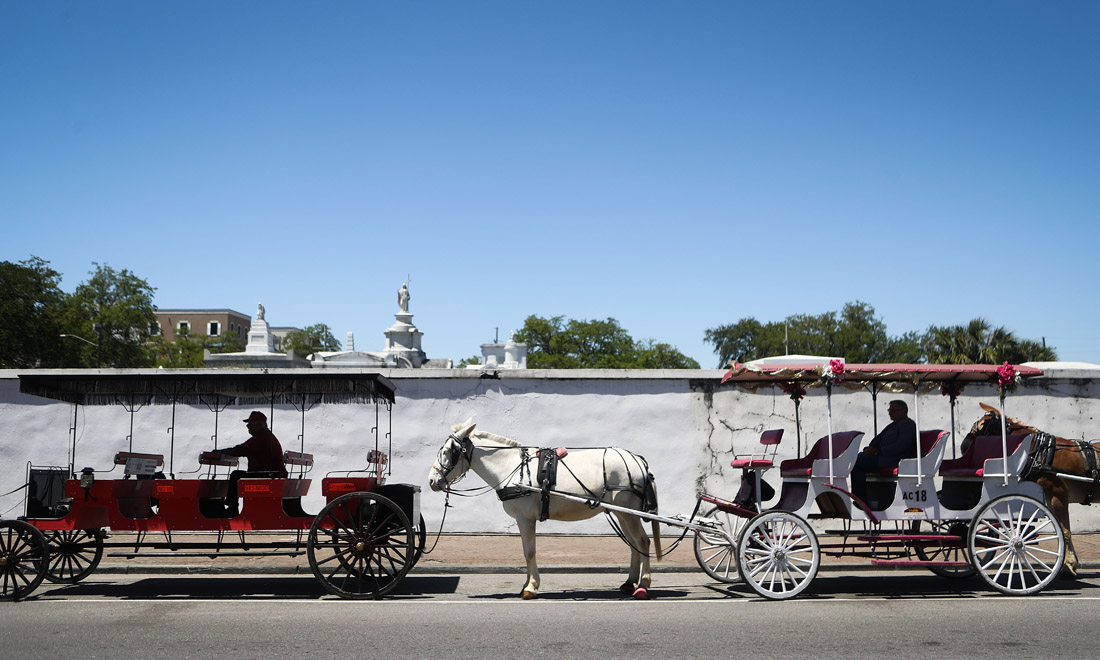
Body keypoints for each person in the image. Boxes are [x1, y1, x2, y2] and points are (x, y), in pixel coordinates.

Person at [216, 411, 287, 516]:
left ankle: (232, 508)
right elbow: (244, 449)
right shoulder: (265, 436)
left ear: (258, 425)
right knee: (238, 474)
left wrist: (219, 452)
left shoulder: (261, 439)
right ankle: (230, 506)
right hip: (272, 474)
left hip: (267, 476)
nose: (247, 427)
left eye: (249, 424)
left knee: (236, 475)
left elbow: (241, 450)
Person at [850, 400, 918, 506]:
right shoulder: (892, 426)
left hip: (894, 460)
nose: (890, 413)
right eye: (889, 410)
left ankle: (861, 500)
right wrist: (870, 448)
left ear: (903, 411)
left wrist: (879, 451)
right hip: (883, 458)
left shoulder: (908, 425)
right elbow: (877, 440)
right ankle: (860, 498)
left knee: (859, 463)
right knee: (856, 458)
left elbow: (901, 446)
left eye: (894, 411)